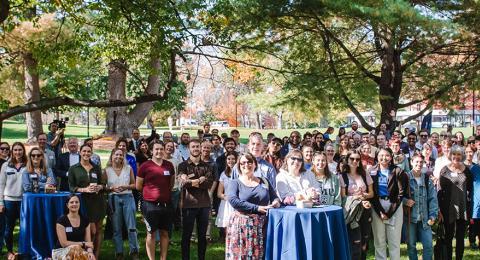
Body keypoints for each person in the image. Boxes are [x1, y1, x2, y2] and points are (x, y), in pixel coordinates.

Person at [226, 153, 281, 260]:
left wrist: (276, 201)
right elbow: (233, 201)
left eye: (249, 162)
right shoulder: (234, 183)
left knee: (261, 254)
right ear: (239, 166)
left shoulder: (264, 181)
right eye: (243, 163)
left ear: (255, 164)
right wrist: (257, 208)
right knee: (241, 255)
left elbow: (274, 196)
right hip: (241, 226)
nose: (246, 165)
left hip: (262, 225)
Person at [136, 140, 174, 260]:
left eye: (161, 149)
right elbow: (138, 186)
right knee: (151, 233)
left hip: (166, 204)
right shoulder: (145, 166)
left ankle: (163, 258)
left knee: (164, 233)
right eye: (156, 149)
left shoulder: (169, 165)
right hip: (150, 205)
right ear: (151, 151)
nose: (159, 151)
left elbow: (171, 184)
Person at [68, 144, 107, 260]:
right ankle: (87, 254)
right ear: (80, 152)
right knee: (91, 231)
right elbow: (71, 187)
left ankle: (96, 255)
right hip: (83, 202)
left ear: (91, 153)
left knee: (99, 229)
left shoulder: (96, 167)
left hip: (98, 202)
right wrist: (84, 189)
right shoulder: (74, 168)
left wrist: (100, 187)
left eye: (89, 151)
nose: (86, 153)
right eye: (84, 151)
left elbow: (103, 184)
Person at [178, 139, 214, 260]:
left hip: (204, 205)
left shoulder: (207, 166)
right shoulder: (183, 165)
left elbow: (208, 184)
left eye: (197, 146)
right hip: (188, 204)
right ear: (189, 148)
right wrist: (199, 180)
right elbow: (184, 184)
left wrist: (191, 181)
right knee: (186, 236)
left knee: (202, 236)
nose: (195, 149)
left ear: (200, 148)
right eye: (193, 147)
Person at [370, 148, 409, 260]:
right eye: (381, 155)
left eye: (387, 155)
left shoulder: (398, 171)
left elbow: (401, 194)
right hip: (377, 206)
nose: (384, 158)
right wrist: (381, 212)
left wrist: (390, 212)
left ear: (391, 157)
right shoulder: (371, 171)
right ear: (377, 157)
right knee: (379, 241)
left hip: (395, 206)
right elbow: (372, 194)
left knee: (394, 241)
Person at [437, 146, 473, 259]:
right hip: (447, 208)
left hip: (463, 208)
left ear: (462, 156)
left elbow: (471, 189)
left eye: (459, 154)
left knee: (460, 237)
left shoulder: (467, 170)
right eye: (454, 154)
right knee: (448, 235)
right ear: (450, 155)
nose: (456, 157)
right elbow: (439, 191)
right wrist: (439, 209)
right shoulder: (444, 170)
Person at [104, 148, 139, 259]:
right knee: (116, 227)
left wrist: (126, 186)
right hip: (113, 198)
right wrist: (111, 188)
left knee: (131, 226)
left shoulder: (128, 169)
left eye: (121, 155)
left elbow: (135, 185)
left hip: (128, 197)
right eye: (116, 154)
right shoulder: (107, 170)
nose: (118, 157)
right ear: (112, 156)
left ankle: (134, 251)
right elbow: (103, 187)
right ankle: (119, 252)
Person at [339, 150, 374, 260]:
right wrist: (356, 198)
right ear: (347, 160)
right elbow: (343, 197)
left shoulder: (364, 173)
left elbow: (371, 193)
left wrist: (363, 195)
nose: (355, 161)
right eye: (352, 159)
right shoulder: (342, 176)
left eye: (357, 159)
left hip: (365, 209)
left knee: (364, 239)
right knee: (355, 241)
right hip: (351, 212)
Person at [405, 154, 438, 260]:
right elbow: (398, 196)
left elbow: (433, 198)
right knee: (411, 246)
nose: (419, 164)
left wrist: (433, 215)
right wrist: (405, 201)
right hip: (410, 218)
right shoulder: (405, 177)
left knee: (428, 246)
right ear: (411, 162)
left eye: (421, 162)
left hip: (425, 218)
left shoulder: (427, 178)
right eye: (416, 162)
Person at [0, 142, 26, 259]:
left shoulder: (27, 165)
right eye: (15, 150)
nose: (17, 152)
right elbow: (1, 185)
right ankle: (10, 251)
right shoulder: (6, 165)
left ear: (23, 151)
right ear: (12, 151)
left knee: (24, 227)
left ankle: (22, 250)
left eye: (20, 150)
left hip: (23, 201)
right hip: (9, 201)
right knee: (8, 228)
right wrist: (0, 202)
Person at [55, 194, 95, 260]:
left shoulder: (85, 220)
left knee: (90, 257)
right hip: (61, 251)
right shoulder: (61, 221)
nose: (74, 204)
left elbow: (89, 243)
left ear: (79, 204)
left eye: (77, 202)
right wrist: (83, 244)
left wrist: (90, 252)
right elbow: (64, 244)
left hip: (79, 251)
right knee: (76, 250)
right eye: (71, 202)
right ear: (67, 205)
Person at [215, 151, 237, 240]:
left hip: (238, 202)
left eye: (233, 159)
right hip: (227, 202)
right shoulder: (223, 174)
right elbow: (219, 193)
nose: (231, 161)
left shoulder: (241, 173)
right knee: (227, 227)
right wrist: (226, 197)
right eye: (228, 159)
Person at [465, 144, 480, 249]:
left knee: (476, 219)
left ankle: (476, 240)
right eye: (467, 152)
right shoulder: (463, 166)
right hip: (468, 196)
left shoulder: (475, 167)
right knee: (471, 219)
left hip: (474, 195)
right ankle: (471, 240)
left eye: (471, 152)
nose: (469, 154)